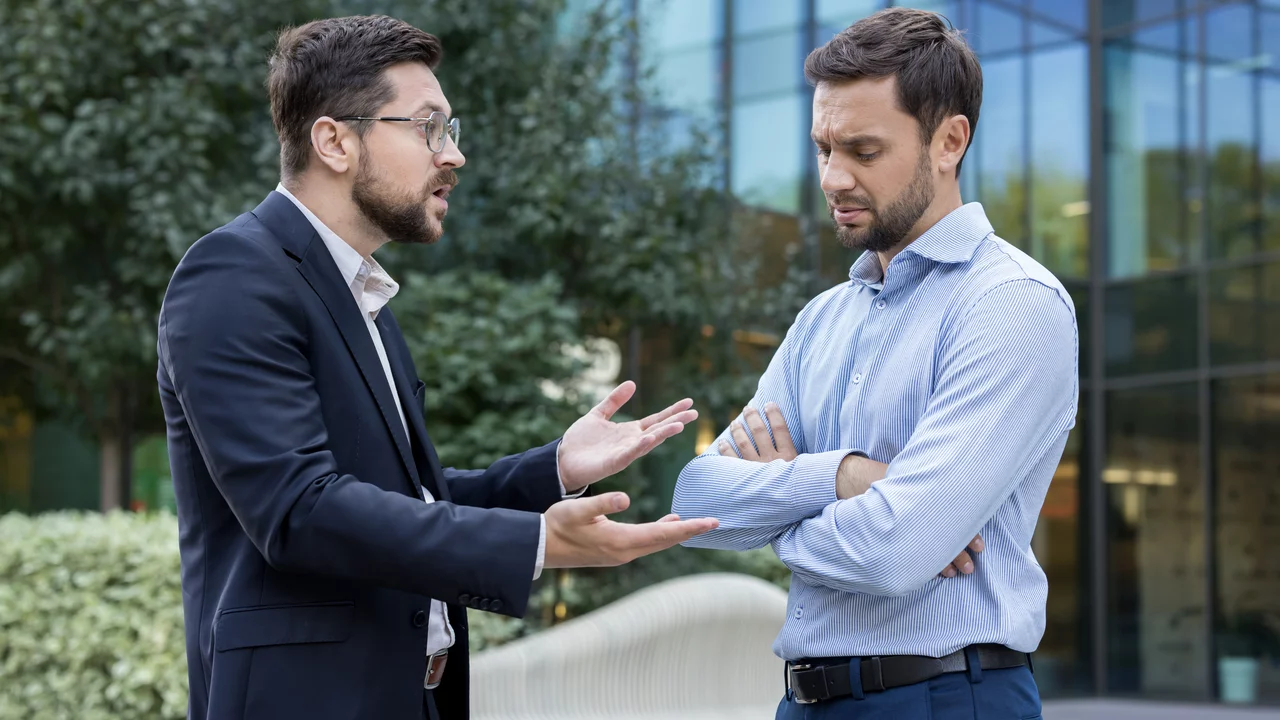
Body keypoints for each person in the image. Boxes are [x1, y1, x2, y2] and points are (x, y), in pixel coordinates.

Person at [156, 15, 717, 720]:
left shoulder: (362, 297)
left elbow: (404, 496)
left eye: (450, 130)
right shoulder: (234, 274)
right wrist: (536, 543)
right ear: (334, 140)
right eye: (428, 127)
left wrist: (555, 471)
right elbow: (300, 508)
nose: (452, 156)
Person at [673, 7, 1077, 719]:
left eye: (862, 150)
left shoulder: (1011, 304)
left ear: (949, 141)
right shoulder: (822, 319)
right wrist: (843, 477)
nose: (832, 177)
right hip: (804, 701)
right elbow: (699, 504)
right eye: (823, 148)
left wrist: (778, 503)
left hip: (948, 697)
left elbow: (895, 550)